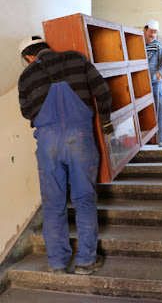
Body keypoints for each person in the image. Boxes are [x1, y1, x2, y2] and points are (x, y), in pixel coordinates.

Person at [18, 35, 114, 275]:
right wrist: (105, 122)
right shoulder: (75, 59)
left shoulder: (26, 76)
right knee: (84, 200)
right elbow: (101, 90)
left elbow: (27, 112)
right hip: (80, 138)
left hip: (48, 142)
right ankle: (86, 262)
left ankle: (58, 264)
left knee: (53, 204)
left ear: (29, 57)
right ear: (45, 47)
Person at [144, 19, 162, 147]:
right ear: (145, 30)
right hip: (141, 85)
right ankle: (143, 140)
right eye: (151, 31)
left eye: (155, 32)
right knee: (143, 112)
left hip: (155, 84)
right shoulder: (136, 44)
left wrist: (161, 72)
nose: (152, 35)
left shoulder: (158, 45)